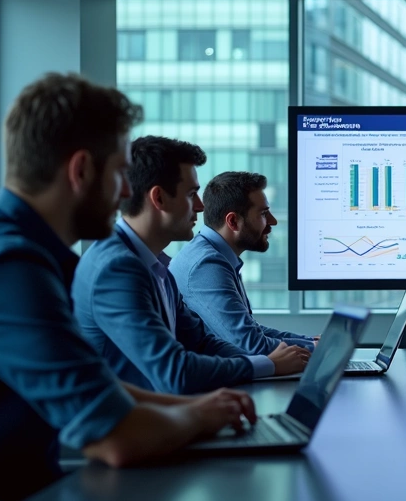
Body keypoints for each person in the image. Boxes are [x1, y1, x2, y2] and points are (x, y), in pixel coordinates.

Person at [0, 73, 257, 501]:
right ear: (80, 170)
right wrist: (202, 418)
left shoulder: (30, 255)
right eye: (119, 173)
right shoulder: (4, 267)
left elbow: (96, 385)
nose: (124, 192)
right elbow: (116, 439)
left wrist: (198, 409)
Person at [73, 136, 310, 395]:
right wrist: (266, 365)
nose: (201, 206)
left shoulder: (157, 266)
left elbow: (201, 342)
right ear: (159, 198)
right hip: (131, 425)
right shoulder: (116, 269)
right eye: (191, 194)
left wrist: (268, 363)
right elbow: (175, 371)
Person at [168, 171, 315, 354]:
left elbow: (251, 330)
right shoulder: (206, 265)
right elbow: (250, 344)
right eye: (263, 214)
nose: (273, 221)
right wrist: (314, 349)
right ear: (233, 221)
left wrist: (310, 342)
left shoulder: (216, 256)